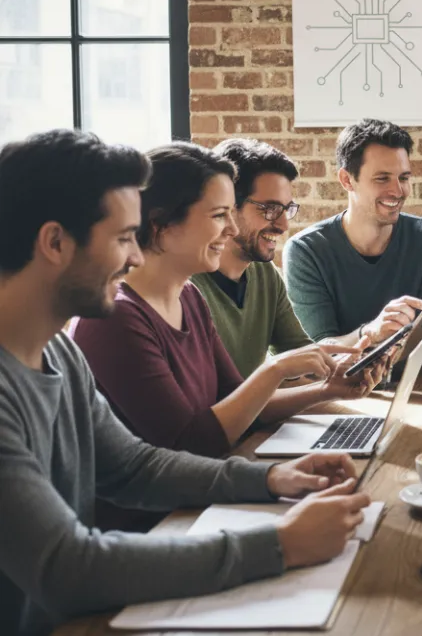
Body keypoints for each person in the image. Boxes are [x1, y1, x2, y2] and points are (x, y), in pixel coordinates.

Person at [0, 130, 370, 636]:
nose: (135, 258)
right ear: (55, 242)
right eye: (122, 238)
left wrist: (270, 479)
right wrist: (280, 544)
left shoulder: (57, 351)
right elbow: (67, 567)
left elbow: (133, 465)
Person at [70, 144, 385, 464]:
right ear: (160, 223)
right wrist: (276, 368)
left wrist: (330, 389)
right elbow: (189, 443)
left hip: (205, 487)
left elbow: (242, 407)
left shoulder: (189, 298)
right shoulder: (114, 318)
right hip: (161, 512)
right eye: (220, 215)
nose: (232, 229)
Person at [283, 119, 422, 355]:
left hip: (415, 386)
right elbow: (316, 352)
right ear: (347, 180)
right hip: (339, 390)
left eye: (404, 178)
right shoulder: (306, 250)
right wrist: (370, 333)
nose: (398, 191)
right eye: (382, 178)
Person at [190, 139, 313, 378]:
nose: (283, 224)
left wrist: (359, 355)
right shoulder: (187, 286)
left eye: (286, 209)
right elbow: (215, 403)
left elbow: (300, 354)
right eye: (269, 209)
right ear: (228, 206)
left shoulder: (264, 273)